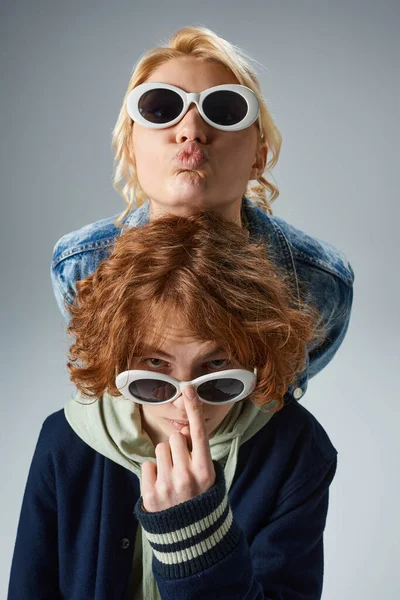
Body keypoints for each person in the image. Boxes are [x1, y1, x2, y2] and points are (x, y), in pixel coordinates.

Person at [9, 211, 338, 599]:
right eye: (154, 369)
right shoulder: (65, 439)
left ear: (256, 358)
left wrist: (196, 533)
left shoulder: (297, 447)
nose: (188, 406)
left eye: (216, 370)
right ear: (119, 359)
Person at [50, 26, 354, 405]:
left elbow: (271, 402)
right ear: (130, 148)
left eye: (225, 110)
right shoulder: (82, 266)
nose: (191, 129)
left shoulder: (317, 282)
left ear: (259, 156)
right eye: (160, 108)